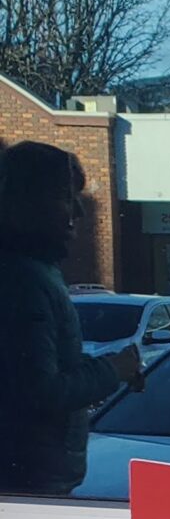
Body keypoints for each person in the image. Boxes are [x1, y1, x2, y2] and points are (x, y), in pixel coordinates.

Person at [0, 141, 144, 496]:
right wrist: (115, 371)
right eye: (65, 197)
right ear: (21, 203)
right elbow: (39, 391)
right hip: (27, 487)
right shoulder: (24, 282)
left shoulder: (35, 273)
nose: (78, 212)